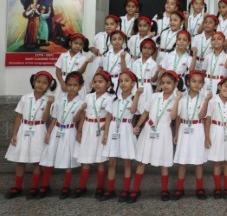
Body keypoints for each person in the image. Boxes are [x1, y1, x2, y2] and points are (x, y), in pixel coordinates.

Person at [4, 71, 56, 200]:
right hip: (24, 129)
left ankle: (34, 187)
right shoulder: (25, 98)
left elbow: (45, 119)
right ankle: (17, 187)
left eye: (44, 83)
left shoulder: (48, 100)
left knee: (36, 161)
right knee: (20, 161)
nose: (40, 85)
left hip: (38, 130)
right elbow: (19, 116)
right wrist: (14, 134)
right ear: (34, 82)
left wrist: (49, 104)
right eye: (38, 81)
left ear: (49, 85)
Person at [131, 70, 182, 203]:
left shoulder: (177, 99)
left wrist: (177, 100)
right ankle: (136, 189)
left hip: (164, 132)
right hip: (149, 130)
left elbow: (174, 117)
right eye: (163, 83)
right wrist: (138, 125)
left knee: (163, 163)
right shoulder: (154, 97)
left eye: (169, 83)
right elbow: (145, 113)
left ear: (175, 84)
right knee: (142, 161)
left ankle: (164, 190)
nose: (165, 85)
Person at [99, 70, 144, 202]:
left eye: (127, 81)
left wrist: (137, 95)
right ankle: (110, 189)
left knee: (127, 162)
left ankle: (125, 190)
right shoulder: (113, 99)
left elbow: (134, 110)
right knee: (111, 161)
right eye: (121, 81)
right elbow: (108, 116)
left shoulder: (135, 99)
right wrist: (106, 133)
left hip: (126, 129)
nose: (123, 83)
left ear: (133, 83)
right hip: (114, 128)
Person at [39, 72, 85, 199]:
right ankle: (45, 185)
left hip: (70, 132)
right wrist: (48, 132)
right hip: (56, 131)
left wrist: (81, 111)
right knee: (49, 156)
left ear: (80, 86)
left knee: (67, 159)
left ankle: (66, 187)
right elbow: (54, 118)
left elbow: (75, 120)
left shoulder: (81, 103)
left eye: (75, 85)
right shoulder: (60, 101)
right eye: (69, 85)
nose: (71, 87)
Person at [72, 71, 113, 199]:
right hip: (87, 128)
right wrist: (79, 131)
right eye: (95, 82)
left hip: (100, 129)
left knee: (100, 160)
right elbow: (83, 115)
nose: (97, 84)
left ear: (108, 84)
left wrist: (106, 133)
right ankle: (82, 187)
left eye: (100, 82)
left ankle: (100, 187)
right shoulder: (88, 97)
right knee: (85, 158)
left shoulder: (110, 98)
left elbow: (109, 116)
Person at [173, 70, 211, 200]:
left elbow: (202, 116)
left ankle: (199, 188)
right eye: (194, 81)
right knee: (182, 162)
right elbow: (178, 117)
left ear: (203, 84)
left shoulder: (204, 98)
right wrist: (176, 133)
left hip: (198, 129)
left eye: (200, 82)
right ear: (188, 82)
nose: (196, 84)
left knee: (198, 162)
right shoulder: (182, 97)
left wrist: (207, 101)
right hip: (184, 129)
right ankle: (179, 188)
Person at [200, 32, 227, 97]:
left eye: (219, 39)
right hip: (207, 81)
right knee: (205, 99)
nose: (216, 40)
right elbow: (203, 71)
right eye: (213, 39)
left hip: (220, 82)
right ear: (211, 43)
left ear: (224, 42)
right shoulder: (207, 56)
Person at [130, 39, 158, 109]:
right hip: (136, 85)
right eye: (144, 48)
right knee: (134, 103)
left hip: (147, 86)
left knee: (145, 105)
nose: (146, 50)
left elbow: (153, 80)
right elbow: (132, 76)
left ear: (152, 50)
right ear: (141, 49)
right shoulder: (136, 62)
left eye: (149, 48)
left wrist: (157, 72)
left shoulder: (154, 64)